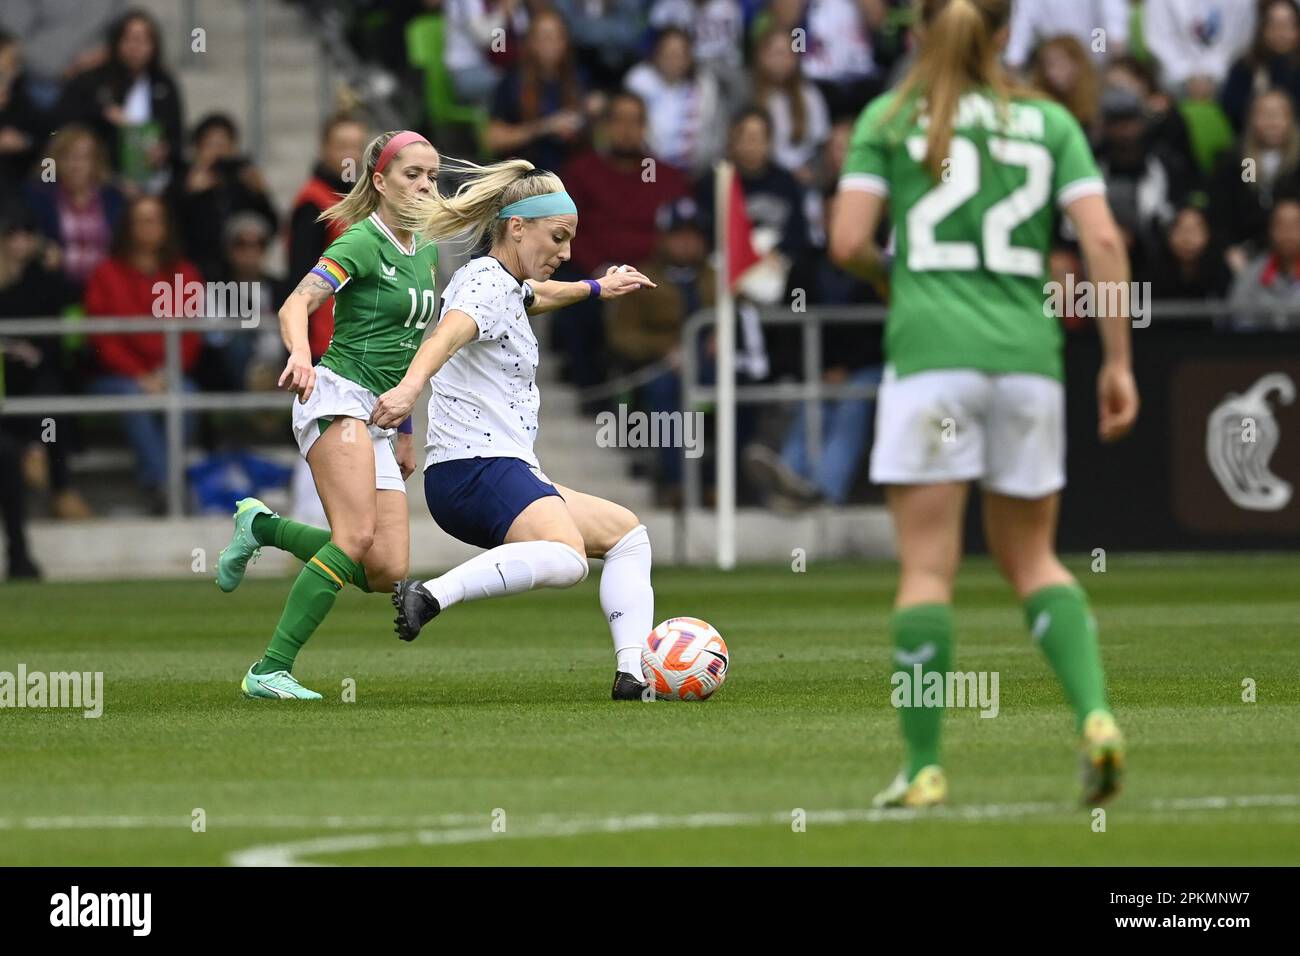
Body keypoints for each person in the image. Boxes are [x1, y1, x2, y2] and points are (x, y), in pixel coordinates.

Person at [829, 0, 1139, 808]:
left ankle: (925, 768)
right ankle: (1098, 717)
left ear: (922, 31)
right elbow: (1104, 242)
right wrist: (1117, 363)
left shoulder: (891, 117)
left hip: (932, 360)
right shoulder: (1048, 122)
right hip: (1026, 361)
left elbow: (848, 241)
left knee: (928, 570)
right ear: (1007, 35)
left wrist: (896, 282)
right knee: (1034, 560)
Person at [373, 158, 660, 700]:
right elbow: (445, 336)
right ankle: (430, 595)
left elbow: (538, 298)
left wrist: (599, 287)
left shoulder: (507, 284)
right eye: (558, 237)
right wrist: (410, 391)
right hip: (474, 470)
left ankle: (634, 674)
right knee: (570, 558)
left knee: (625, 535)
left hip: (494, 469)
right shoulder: (484, 283)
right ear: (516, 227)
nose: (567, 252)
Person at [210, 130, 441, 701]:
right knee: (355, 535)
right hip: (335, 395)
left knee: (386, 568)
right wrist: (299, 353)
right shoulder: (362, 240)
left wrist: (406, 426)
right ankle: (269, 668)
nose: (426, 185)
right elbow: (297, 301)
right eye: (412, 175)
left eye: (432, 176)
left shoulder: (428, 249)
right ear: (381, 183)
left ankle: (260, 527)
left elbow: (407, 349)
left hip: (381, 415)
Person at [83, 194, 202, 512]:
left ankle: (165, 484)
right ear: (128, 227)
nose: (150, 228)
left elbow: (190, 335)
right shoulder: (106, 273)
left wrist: (165, 374)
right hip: (116, 377)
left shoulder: (183, 272)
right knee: (132, 395)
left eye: (156, 220)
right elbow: (102, 338)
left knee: (186, 395)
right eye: (142, 220)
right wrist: (139, 375)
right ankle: (167, 486)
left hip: (169, 373)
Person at [54, 9, 183, 192]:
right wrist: (102, 114)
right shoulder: (93, 80)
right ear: (116, 43)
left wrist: (164, 152)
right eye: (129, 39)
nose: (136, 47)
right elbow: (58, 127)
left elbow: (176, 138)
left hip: (153, 180)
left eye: (144, 40)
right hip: (100, 183)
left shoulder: (164, 84)